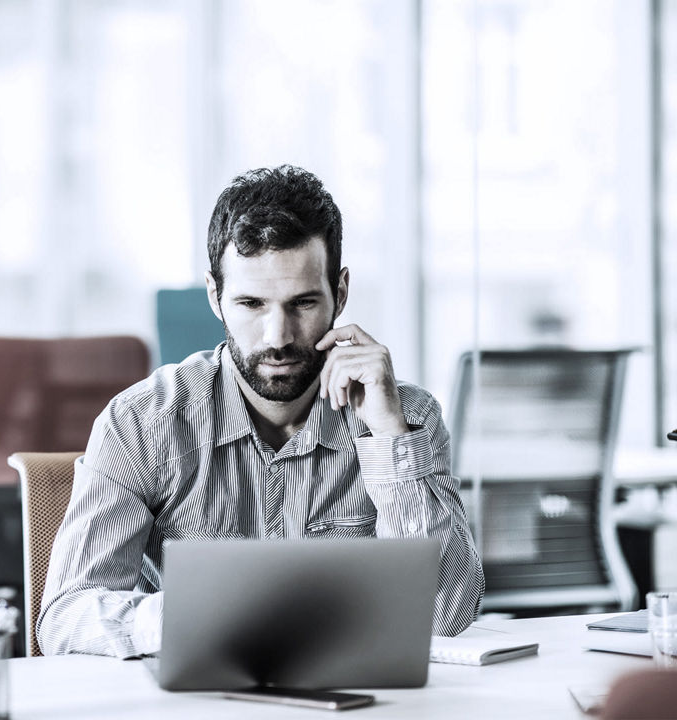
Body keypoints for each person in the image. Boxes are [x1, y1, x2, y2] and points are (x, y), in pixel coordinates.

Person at [37, 165, 484, 658]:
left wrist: (389, 438)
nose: (278, 337)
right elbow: (65, 619)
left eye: (304, 303)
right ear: (215, 296)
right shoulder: (142, 424)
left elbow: (446, 616)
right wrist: (206, 612)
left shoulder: (404, 414)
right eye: (251, 303)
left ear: (341, 291)